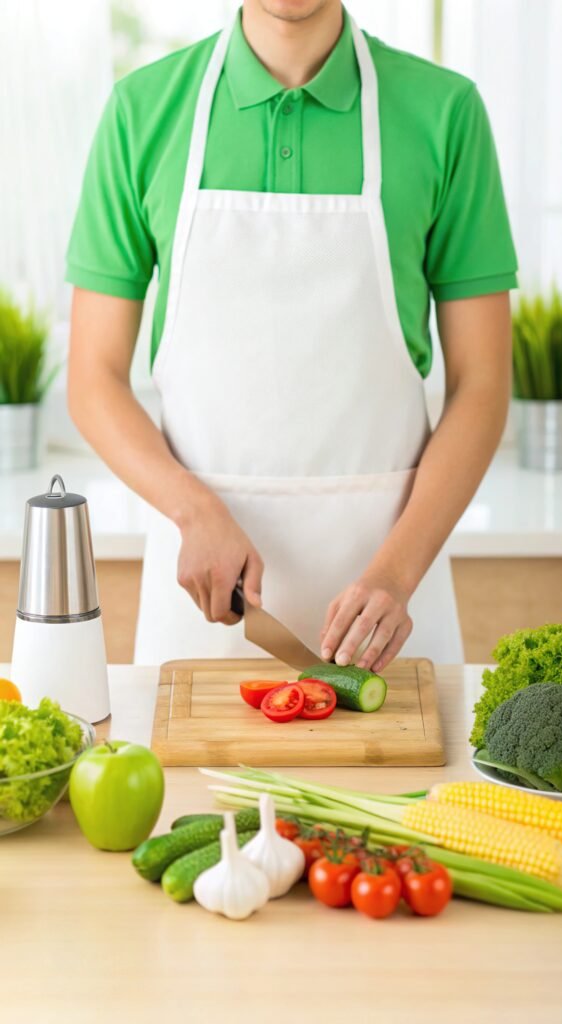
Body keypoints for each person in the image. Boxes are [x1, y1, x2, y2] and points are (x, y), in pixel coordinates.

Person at [66, 1, 517, 669]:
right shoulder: (143, 112)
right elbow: (92, 378)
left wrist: (394, 575)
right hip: (204, 613)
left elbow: (482, 384)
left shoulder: (445, 113)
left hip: (391, 617)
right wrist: (193, 512)